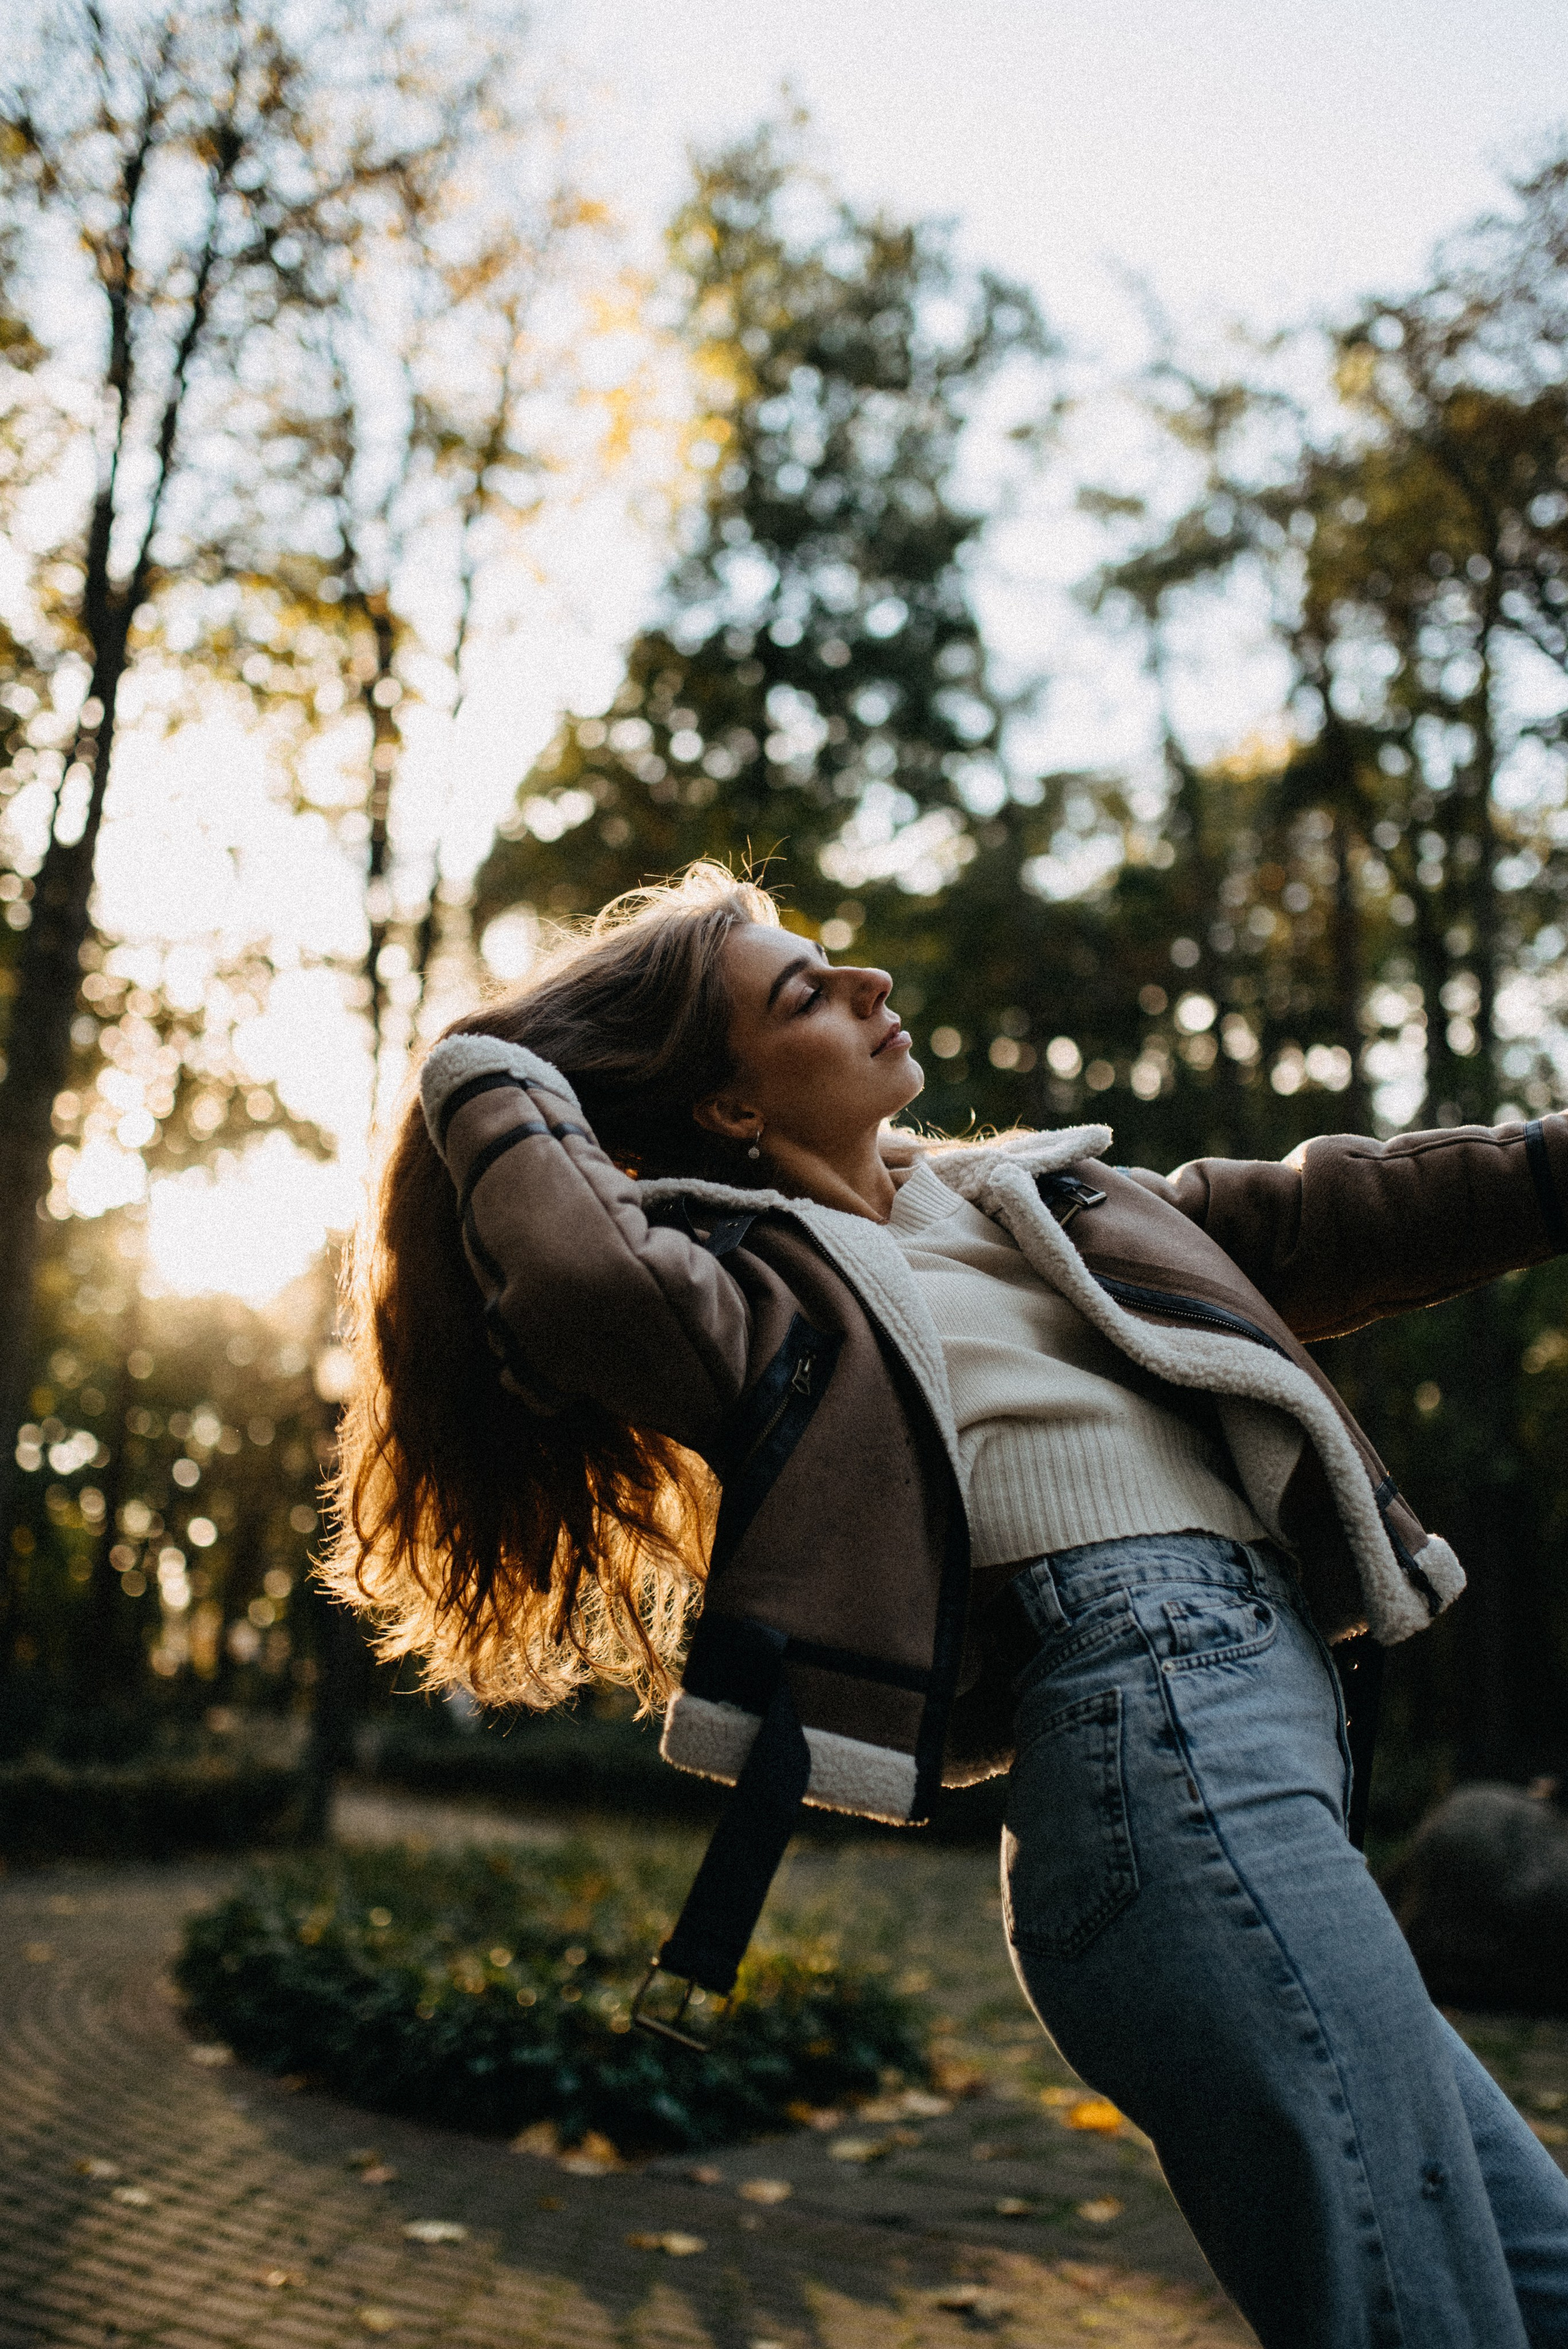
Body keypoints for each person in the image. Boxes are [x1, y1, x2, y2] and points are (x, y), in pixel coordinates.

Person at [328, 861, 1568, 2349]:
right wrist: (477, 1071)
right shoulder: (748, 1286)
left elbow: (1325, 1215)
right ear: (729, 1106)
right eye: (803, 991)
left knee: (1531, 2271)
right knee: (1416, 2305)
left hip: (1234, 1754)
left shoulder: (1034, 1200)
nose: (870, 989)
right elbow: (586, 1278)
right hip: (1156, 1745)